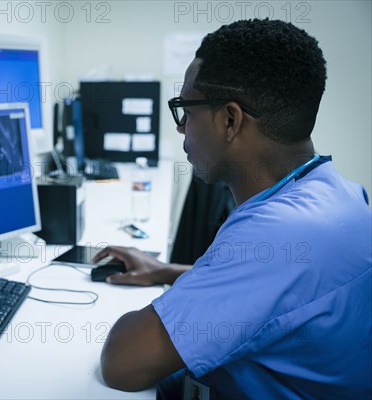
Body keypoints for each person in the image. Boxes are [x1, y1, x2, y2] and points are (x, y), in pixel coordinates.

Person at [94, 19, 372, 398]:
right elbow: (285, 295)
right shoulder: (342, 193)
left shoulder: (276, 233)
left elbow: (122, 364)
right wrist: (167, 272)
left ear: (229, 119)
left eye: (186, 110)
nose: (181, 130)